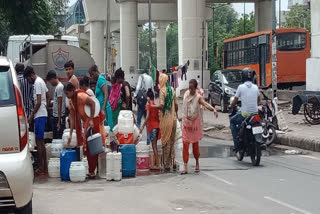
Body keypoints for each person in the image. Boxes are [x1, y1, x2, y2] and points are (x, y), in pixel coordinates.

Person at [64, 83, 106, 179]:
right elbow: (72, 118)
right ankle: (92, 170)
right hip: (86, 123)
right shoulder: (71, 101)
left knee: (93, 146)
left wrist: (91, 119)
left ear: (72, 90)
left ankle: (93, 171)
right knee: (87, 148)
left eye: (67, 93)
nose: (67, 96)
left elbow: (92, 103)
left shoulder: (81, 96)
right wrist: (71, 134)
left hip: (93, 121)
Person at [181, 79, 218, 175]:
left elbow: (205, 104)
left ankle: (197, 163)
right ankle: (185, 167)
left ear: (195, 88)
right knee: (185, 144)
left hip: (194, 124)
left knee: (195, 145)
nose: (190, 90)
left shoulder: (198, 97)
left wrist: (213, 109)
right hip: (186, 123)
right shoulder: (185, 94)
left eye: (192, 88)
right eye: (189, 88)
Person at [24, 66, 50, 175]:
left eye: (28, 79)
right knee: (41, 141)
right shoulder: (41, 82)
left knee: (39, 142)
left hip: (39, 115)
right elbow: (48, 96)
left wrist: (31, 115)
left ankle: (41, 167)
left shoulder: (38, 83)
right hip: (41, 113)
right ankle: (43, 166)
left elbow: (39, 102)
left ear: (31, 75)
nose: (28, 82)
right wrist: (46, 107)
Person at [150, 73, 178, 171]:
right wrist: (175, 115)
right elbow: (176, 105)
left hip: (166, 120)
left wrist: (152, 106)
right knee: (172, 141)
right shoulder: (172, 90)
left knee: (166, 141)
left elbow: (161, 105)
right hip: (173, 119)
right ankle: (173, 161)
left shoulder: (162, 90)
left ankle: (166, 164)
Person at [228, 68, 260, 151]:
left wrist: (230, 106)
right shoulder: (256, 87)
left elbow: (235, 100)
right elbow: (258, 99)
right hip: (255, 114)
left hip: (244, 115)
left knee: (232, 121)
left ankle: (237, 144)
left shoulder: (241, 87)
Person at [139, 89, 161, 170]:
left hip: (152, 127)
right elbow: (158, 117)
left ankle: (157, 165)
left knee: (154, 146)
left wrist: (142, 126)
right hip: (157, 126)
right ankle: (156, 164)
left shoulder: (149, 105)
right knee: (154, 146)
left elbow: (147, 116)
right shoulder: (154, 104)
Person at [47, 70, 66, 139]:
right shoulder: (57, 87)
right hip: (56, 115)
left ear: (52, 79)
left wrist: (59, 120)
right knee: (55, 136)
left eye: (50, 81)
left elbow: (59, 103)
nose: (50, 83)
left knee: (58, 136)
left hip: (59, 116)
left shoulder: (59, 87)